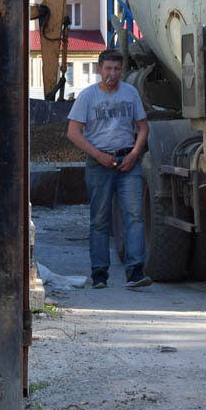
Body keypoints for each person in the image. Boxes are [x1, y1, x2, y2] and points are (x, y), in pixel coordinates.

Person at [66, 48, 151, 289]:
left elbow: (143, 127)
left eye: (116, 69)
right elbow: (73, 132)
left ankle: (135, 273)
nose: (112, 74)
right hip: (98, 165)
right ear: (99, 69)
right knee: (100, 221)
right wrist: (98, 155)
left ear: (121, 71)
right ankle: (99, 275)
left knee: (134, 217)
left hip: (128, 163)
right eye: (108, 69)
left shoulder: (131, 93)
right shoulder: (88, 97)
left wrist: (135, 153)